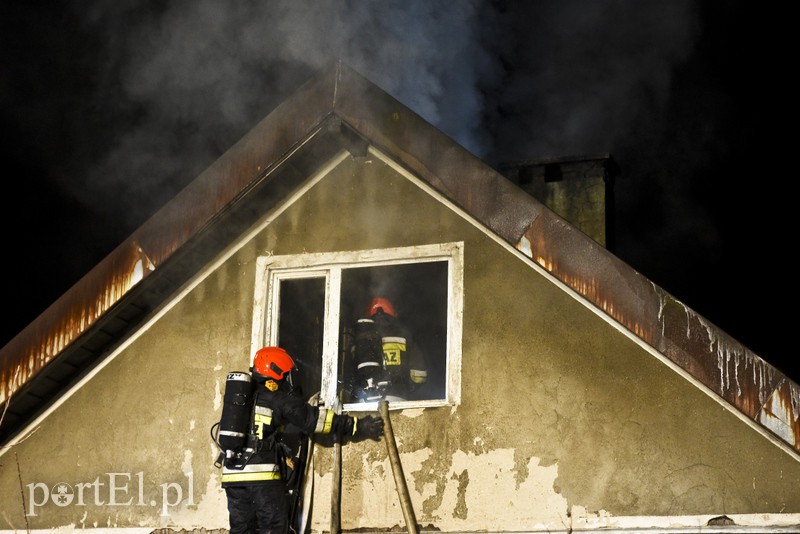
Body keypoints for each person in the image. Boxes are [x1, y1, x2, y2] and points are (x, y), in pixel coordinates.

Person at [220, 346, 384, 534]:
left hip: (232, 475)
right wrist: (357, 426)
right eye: (286, 374)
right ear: (276, 371)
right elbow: (315, 420)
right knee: (273, 528)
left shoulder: (240, 398)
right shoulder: (277, 398)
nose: (289, 379)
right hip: (261, 475)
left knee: (241, 529)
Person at [349, 296, 428, 401]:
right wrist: (404, 387)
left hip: (365, 398)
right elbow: (420, 374)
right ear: (394, 314)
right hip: (397, 398)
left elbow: (349, 374)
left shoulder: (361, 337)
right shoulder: (404, 335)